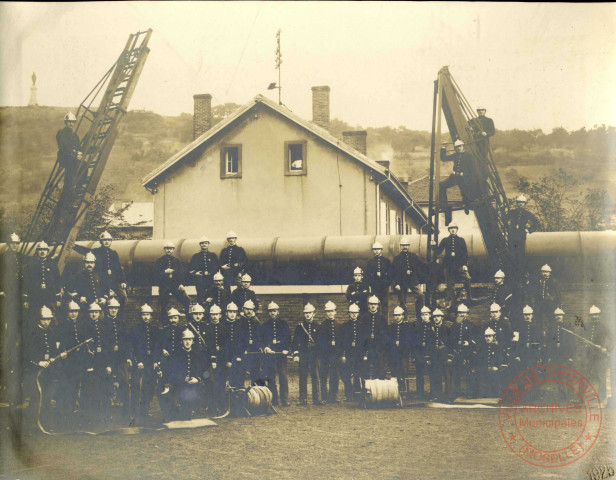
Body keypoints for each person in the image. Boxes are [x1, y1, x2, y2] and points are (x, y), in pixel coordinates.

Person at [23, 306, 61, 429]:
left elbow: (54, 351)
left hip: (49, 372)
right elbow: (25, 354)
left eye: (48, 319)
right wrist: (38, 362)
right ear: (39, 319)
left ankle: (44, 423)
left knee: (47, 398)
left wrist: (58, 355)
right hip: (34, 372)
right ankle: (32, 425)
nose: (46, 322)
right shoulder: (32, 332)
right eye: (44, 319)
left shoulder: (51, 332)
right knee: (35, 399)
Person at [0, 232, 25, 408]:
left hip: (17, 296)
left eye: (17, 243)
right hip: (6, 296)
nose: (15, 245)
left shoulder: (20, 257)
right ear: (8, 244)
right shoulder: (3, 258)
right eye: (13, 243)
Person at [55, 300, 88, 427]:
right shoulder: (61, 326)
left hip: (78, 362)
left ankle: (71, 413)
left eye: (76, 312)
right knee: (65, 388)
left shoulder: (81, 325)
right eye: (71, 312)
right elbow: (57, 344)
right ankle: (64, 415)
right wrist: (62, 351)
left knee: (75, 387)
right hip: (66, 363)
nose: (74, 314)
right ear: (67, 313)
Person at [81, 303, 112, 424]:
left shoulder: (104, 326)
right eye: (92, 312)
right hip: (90, 364)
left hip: (102, 363)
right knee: (90, 391)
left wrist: (108, 364)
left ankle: (104, 416)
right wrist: (88, 365)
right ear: (89, 313)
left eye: (96, 312)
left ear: (100, 313)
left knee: (104, 390)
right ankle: (91, 418)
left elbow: (108, 348)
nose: (94, 314)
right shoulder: (84, 327)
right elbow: (84, 348)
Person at [166, 329, 208, 420]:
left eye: (189, 339)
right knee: (184, 410)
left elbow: (206, 372)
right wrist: (181, 379)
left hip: (195, 385)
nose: (187, 342)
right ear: (182, 341)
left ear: (193, 341)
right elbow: (170, 372)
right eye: (185, 340)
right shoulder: (176, 355)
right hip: (180, 385)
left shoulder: (198, 355)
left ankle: (193, 408)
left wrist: (198, 379)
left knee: (190, 400)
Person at [128, 304, 160, 422]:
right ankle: (135, 413)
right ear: (140, 316)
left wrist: (156, 361)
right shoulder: (134, 330)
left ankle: (145, 412)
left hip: (150, 363)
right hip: (139, 364)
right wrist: (137, 361)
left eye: (148, 314)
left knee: (149, 388)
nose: (146, 317)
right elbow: (131, 348)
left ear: (150, 316)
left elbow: (157, 346)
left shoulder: (154, 330)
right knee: (137, 388)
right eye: (144, 314)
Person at [103, 297, 131, 420]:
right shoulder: (103, 324)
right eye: (111, 308)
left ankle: (125, 414)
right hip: (109, 360)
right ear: (107, 309)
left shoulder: (121, 323)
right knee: (108, 387)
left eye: (115, 308)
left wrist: (127, 357)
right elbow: (103, 345)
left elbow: (126, 342)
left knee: (125, 385)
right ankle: (107, 414)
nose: (113, 310)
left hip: (120, 360)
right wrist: (107, 364)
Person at [580, 305, 613, 404]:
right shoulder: (586, 326)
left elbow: (612, 339)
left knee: (601, 377)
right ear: (590, 316)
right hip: (588, 355)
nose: (594, 317)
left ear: (599, 315)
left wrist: (606, 348)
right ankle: (581, 398)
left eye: (596, 315)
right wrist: (584, 344)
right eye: (592, 315)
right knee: (585, 376)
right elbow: (580, 339)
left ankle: (601, 398)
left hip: (600, 357)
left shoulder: (604, 327)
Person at [439, 139, 476, 225]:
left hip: (464, 178)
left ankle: (467, 206)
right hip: (455, 177)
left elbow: (472, 170)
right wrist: (444, 147)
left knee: (466, 194)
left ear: (463, 146)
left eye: (460, 146)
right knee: (441, 185)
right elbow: (444, 158)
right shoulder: (455, 155)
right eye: (456, 147)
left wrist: (465, 174)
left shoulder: (469, 156)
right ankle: (443, 204)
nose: (458, 148)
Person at [292, 303, 323, 406]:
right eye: (306, 313)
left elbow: (321, 342)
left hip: (314, 355)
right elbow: (295, 342)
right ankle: (303, 400)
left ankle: (317, 399)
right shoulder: (300, 327)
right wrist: (296, 354)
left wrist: (319, 355)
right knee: (303, 377)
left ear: (314, 314)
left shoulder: (318, 326)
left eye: (309, 313)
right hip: (304, 354)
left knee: (316, 377)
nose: (308, 315)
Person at [433, 223, 472, 304]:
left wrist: (465, 264)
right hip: (448, 266)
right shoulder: (445, 240)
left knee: (468, 278)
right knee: (450, 285)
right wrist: (433, 246)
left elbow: (465, 253)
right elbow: (438, 251)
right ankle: (453, 302)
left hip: (459, 266)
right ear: (449, 230)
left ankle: (469, 298)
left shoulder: (461, 240)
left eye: (454, 228)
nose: (453, 230)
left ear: (457, 229)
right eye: (451, 228)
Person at [261, 302, 291, 407]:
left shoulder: (283, 324)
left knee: (283, 376)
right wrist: (266, 347)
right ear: (268, 313)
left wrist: (286, 349)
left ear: (278, 312)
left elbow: (287, 338)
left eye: (274, 311)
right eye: (270, 311)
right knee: (271, 377)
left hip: (281, 354)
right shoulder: (265, 325)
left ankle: (285, 399)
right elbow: (262, 339)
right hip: (270, 354)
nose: (272, 313)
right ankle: (273, 399)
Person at [152, 241, 190, 322]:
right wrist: (164, 272)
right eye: (167, 249)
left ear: (173, 250)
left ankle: (188, 317)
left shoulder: (177, 261)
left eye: (171, 249)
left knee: (186, 300)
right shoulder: (159, 261)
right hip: (164, 285)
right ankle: (163, 320)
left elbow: (181, 273)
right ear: (164, 250)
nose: (169, 250)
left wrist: (181, 284)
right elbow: (155, 275)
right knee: (163, 303)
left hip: (175, 285)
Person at [24, 241, 62, 317]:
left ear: (47, 251)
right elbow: (26, 281)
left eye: (44, 250)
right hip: (35, 296)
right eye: (40, 249)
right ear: (37, 251)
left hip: (49, 295)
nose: (42, 252)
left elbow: (57, 281)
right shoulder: (31, 263)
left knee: (50, 315)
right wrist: (26, 299)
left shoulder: (52, 264)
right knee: (35, 316)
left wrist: (58, 298)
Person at [447, 303, 477, 399]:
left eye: (464, 313)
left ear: (467, 314)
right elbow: (450, 340)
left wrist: (468, 342)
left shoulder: (471, 326)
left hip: (467, 353)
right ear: (457, 314)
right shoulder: (454, 326)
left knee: (468, 373)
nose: (462, 314)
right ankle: (457, 393)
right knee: (456, 373)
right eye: (460, 313)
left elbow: (475, 339)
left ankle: (469, 392)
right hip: (457, 353)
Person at [506, 195, 540, 278]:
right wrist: (508, 228)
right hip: (512, 235)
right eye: (519, 203)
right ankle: (511, 274)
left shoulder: (527, 214)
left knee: (520, 256)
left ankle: (520, 275)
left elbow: (536, 223)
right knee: (511, 255)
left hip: (521, 236)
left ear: (525, 204)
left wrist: (528, 230)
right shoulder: (512, 212)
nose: (521, 204)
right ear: (517, 203)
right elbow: (504, 220)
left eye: (522, 203)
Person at [204, 304, 229, 415]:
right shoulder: (207, 328)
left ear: (220, 315)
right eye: (212, 315)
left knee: (221, 383)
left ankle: (221, 405)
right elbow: (206, 346)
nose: (214, 317)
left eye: (216, 314)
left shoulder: (224, 328)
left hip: (222, 360)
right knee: (211, 383)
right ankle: (212, 407)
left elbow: (228, 346)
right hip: (209, 360)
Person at [392, 236, 424, 317]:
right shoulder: (397, 258)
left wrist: (416, 276)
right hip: (402, 281)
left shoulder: (414, 256)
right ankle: (405, 318)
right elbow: (394, 272)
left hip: (413, 280)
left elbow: (419, 268)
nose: (405, 247)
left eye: (406, 245)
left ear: (409, 246)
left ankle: (419, 315)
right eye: (403, 245)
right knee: (402, 300)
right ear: (400, 246)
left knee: (420, 295)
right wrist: (396, 284)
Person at [92, 231, 127, 305]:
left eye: (109, 240)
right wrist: (74, 246)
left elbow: (118, 268)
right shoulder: (96, 252)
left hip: (113, 281)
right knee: (103, 300)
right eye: (105, 240)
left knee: (123, 296)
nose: (107, 242)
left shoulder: (113, 253)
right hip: (102, 281)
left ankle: (119, 314)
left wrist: (122, 281)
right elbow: (85, 250)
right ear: (101, 241)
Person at [340, 303, 366, 402]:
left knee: (357, 374)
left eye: (355, 313)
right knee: (346, 374)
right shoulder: (345, 326)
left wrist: (364, 354)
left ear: (358, 313)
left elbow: (365, 342)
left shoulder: (362, 326)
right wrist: (343, 355)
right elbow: (342, 342)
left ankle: (357, 395)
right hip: (349, 354)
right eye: (352, 313)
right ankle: (348, 395)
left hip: (359, 354)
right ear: (349, 314)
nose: (354, 315)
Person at [318, 301, 342, 403]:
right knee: (323, 375)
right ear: (325, 313)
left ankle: (333, 396)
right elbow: (320, 342)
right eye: (328, 311)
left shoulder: (339, 326)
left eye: (332, 311)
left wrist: (339, 353)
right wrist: (325, 353)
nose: (330, 313)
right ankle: (324, 396)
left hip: (335, 355)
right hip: (325, 355)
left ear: (335, 312)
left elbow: (341, 341)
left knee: (334, 376)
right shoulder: (322, 326)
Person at [384, 306, 412, 393]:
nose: (397, 317)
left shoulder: (407, 327)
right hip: (393, 353)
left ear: (402, 316)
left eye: (399, 315)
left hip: (403, 353)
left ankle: (405, 390)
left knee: (404, 371)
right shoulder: (390, 327)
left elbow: (408, 340)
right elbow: (388, 340)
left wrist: (403, 345)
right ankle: (395, 390)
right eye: (395, 315)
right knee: (394, 371)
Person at [359, 295, 387, 379]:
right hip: (367, 347)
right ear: (368, 305)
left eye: (375, 304)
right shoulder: (364, 318)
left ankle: (377, 388)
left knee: (379, 368)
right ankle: (367, 388)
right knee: (365, 368)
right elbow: (361, 333)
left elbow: (385, 334)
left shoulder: (382, 318)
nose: (373, 306)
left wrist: (381, 346)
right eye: (371, 304)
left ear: (378, 305)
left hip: (378, 347)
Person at [510, 305, 542, 378]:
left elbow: (539, 343)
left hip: (533, 353)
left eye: (529, 315)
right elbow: (515, 342)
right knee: (522, 374)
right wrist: (517, 355)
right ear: (523, 316)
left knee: (533, 374)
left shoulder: (536, 327)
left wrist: (539, 355)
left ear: (532, 315)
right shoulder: (518, 327)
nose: (527, 316)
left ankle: (534, 389)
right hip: (522, 354)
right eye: (525, 315)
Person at [476, 327, 507, 398]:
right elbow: (478, 360)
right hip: (484, 369)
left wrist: (497, 367)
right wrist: (482, 367)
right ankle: (483, 394)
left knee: (494, 381)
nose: (488, 338)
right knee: (482, 381)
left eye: (490, 336)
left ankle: (494, 394)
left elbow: (502, 359)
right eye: (486, 336)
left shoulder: (498, 347)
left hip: (495, 370)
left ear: (493, 337)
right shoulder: (481, 348)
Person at [56, 112, 82, 196]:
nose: (71, 124)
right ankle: (68, 191)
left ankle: (78, 187)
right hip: (65, 157)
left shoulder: (74, 135)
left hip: (72, 157)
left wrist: (79, 153)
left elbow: (79, 146)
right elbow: (64, 147)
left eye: (73, 122)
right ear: (66, 122)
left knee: (84, 165)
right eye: (69, 122)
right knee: (70, 172)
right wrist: (75, 153)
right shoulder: (61, 133)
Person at [189, 236, 219, 305]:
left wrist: (211, 273)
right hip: (200, 279)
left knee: (211, 295)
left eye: (206, 243)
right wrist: (195, 273)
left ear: (208, 244)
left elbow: (217, 267)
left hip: (211, 279)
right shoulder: (196, 256)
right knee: (200, 295)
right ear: (200, 245)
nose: (204, 244)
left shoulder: (213, 255)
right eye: (202, 243)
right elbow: (191, 268)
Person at [411, 306, 433, 400]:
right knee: (419, 374)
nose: (424, 317)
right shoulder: (417, 326)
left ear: (430, 315)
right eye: (423, 315)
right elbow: (414, 342)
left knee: (431, 373)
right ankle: (420, 394)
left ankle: (432, 393)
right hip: (419, 354)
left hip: (429, 354)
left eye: (426, 315)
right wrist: (414, 355)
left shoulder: (432, 326)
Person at [364, 242, 392, 316]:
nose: (376, 251)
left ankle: (385, 323)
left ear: (381, 250)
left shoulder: (386, 261)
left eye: (378, 249)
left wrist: (388, 283)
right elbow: (367, 274)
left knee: (384, 305)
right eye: (375, 249)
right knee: (375, 304)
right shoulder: (370, 261)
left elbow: (390, 274)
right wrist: (370, 284)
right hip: (375, 286)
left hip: (384, 286)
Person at [428, 309, 450, 402]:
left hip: (443, 356)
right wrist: (428, 357)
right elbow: (429, 345)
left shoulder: (446, 329)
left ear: (442, 317)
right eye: (434, 317)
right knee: (435, 376)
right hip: (434, 356)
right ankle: (436, 395)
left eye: (438, 316)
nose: (436, 318)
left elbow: (450, 343)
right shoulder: (431, 330)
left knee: (446, 376)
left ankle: (447, 396)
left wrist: (449, 356)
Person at [533, 264, 561, 334]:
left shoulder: (554, 282)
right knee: (539, 321)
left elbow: (558, 294)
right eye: (543, 272)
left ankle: (551, 335)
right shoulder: (539, 282)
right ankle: (541, 336)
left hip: (550, 305)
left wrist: (556, 303)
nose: (545, 273)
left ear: (549, 273)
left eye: (546, 272)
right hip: (541, 305)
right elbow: (536, 293)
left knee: (551, 321)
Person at [240, 300, 262, 385]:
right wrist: (242, 349)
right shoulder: (240, 321)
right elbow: (238, 337)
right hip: (243, 350)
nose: (248, 311)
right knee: (242, 372)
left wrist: (259, 346)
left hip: (254, 350)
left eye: (250, 309)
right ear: (243, 309)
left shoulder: (256, 321)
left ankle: (255, 393)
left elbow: (260, 335)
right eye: (246, 309)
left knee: (255, 372)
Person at [224, 302, 245, 388]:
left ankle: (239, 398)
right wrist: (227, 359)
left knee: (239, 378)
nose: (232, 314)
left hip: (238, 355)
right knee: (228, 379)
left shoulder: (240, 325)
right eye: (230, 312)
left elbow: (242, 341)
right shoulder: (223, 325)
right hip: (226, 356)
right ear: (226, 313)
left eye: (234, 312)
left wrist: (239, 355)